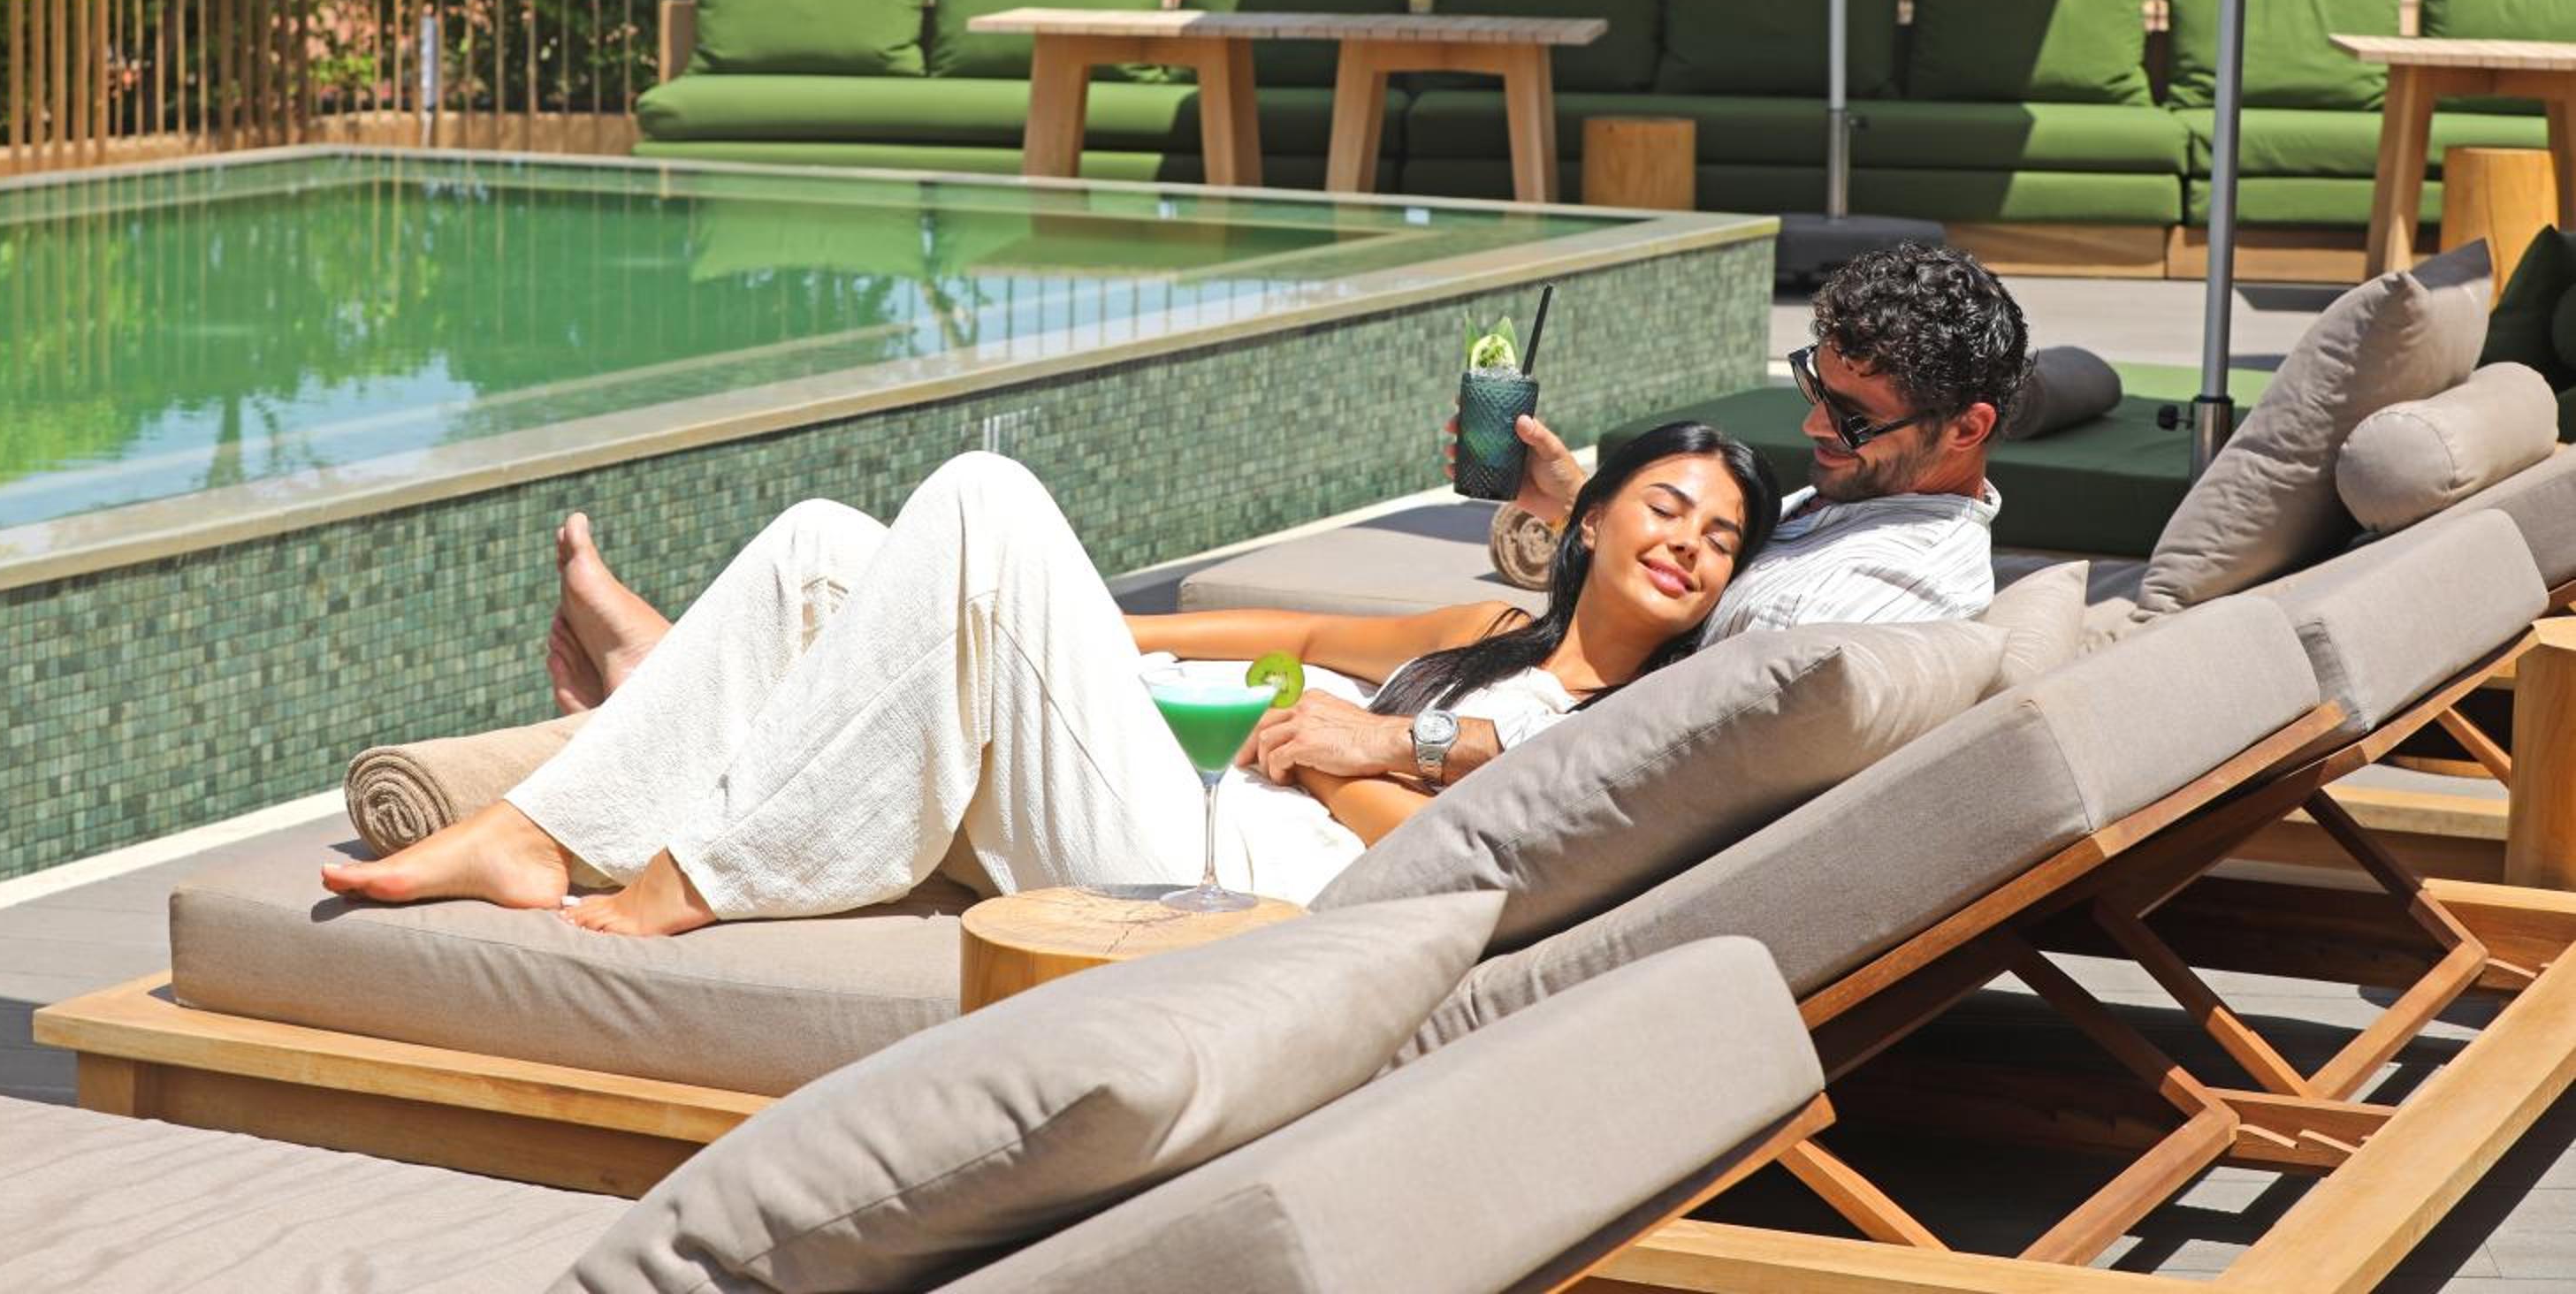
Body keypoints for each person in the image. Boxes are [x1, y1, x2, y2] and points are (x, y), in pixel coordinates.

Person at [320, 423, 1780, 934]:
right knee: (828, 549)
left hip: (1229, 878)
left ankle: (699, 870)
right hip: (1182, 782)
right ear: (1591, 519)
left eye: (1720, 541)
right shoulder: (1488, 629)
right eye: (1666, 509)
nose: (1688, 546)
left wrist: (1352, 756)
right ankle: (540, 830)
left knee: (985, 500)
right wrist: (1095, 635)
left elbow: (1475, 870)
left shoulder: (1623, 721)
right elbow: (1282, 630)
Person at [1477, 241, 2031, 635]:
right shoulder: (1866, 498)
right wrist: (1581, 506)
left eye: (1854, 418)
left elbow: (1669, 732)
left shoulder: (1865, 596)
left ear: (1966, 429)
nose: (1813, 425)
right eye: (1816, 387)